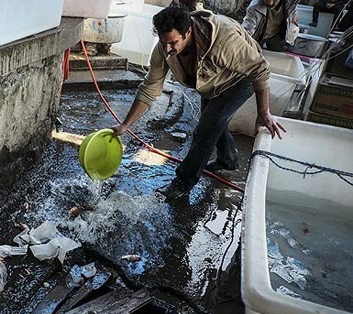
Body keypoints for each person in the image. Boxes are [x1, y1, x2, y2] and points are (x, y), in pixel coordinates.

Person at [112, 6, 286, 200]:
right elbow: (150, 87)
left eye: (173, 43)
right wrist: (125, 125)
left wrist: (264, 112)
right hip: (210, 80)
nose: (167, 49)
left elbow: (260, 69)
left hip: (240, 79)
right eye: (163, 43)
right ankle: (227, 159)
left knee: (204, 131)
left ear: (188, 32)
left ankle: (183, 182)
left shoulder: (224, 40)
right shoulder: (165, 49)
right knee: (211, 121)